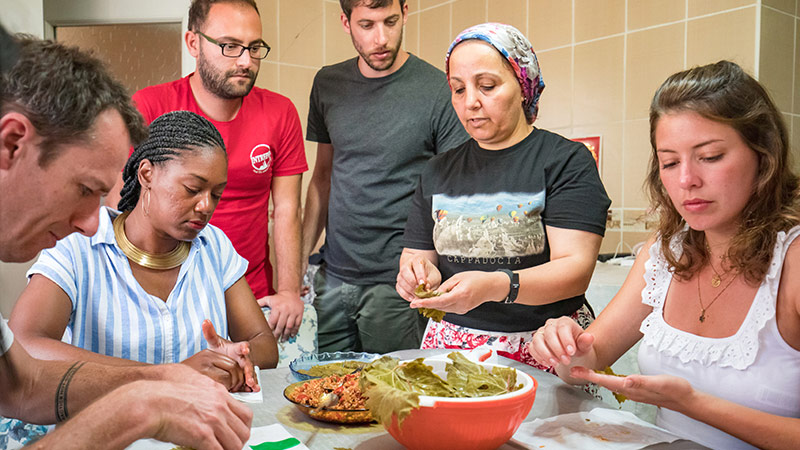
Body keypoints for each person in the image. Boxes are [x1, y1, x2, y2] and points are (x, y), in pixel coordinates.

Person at [528, 60, 800, 449]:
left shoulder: (793, 261)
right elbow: (587, 360)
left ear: (763, 155)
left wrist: (693, 404)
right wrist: (565, 345)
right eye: (670, 162)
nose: (686, 180)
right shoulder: (666, 252)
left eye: (709, 156)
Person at [0, 35, 251, 450]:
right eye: (85, 189)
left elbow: (21, 385)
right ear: (12, 143)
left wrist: (162, 380)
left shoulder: (213, 247)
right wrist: (141, 403)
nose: (90, 223)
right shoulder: (82, 248)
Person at [10, 110, 278, 391]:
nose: (206, 206)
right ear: (146, 174)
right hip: (102, 430)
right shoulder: (80, 244)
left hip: (198, 429)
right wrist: (170, 374)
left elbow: (264, 345)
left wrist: (234, 359)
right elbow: (26, 345)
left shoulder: (214, 247)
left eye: (216, 194)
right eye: (192, 189)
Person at [396, 23, 610, 369]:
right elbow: (417, 256)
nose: (471, 103)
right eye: (458, 89)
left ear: (523, 85)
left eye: (487, 86)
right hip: (452, 347)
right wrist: (417, 275)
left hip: (545, 346)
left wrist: (496, 286)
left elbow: (575, 269)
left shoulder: (564, 160)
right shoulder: (438, 170)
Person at [105, 0, 310, 354]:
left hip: (253, 293)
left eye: (254, 47)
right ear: (193, 43)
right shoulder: (151, 106)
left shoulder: (280, 112)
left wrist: (288, 290)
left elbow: (287, 210)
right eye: (230, 46)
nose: (245, 61)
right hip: (168, 289)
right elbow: (118, 202)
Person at [303, 0, 469, 353]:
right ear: (346, 22)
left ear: (406, 12)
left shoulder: (437, 89)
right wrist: (301, 258)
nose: (381, 38)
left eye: (390, 21)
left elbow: (455, 193)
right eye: (367, 25)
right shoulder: (327, 84)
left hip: (399, 282)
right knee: (332, 393)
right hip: (333, 277)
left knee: (395, 397)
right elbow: (322, 176)